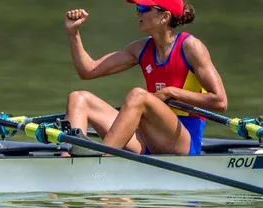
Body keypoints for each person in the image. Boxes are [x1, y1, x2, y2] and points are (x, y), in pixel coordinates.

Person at [63, 0, 227, 156]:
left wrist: (172, 92)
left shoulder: (191, 47)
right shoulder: (141, 48)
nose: (137, 12)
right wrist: (73, 33)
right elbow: (88, 70)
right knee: (78, 98)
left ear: (165, 16)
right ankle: (67, 161)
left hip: (183, 140)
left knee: (138, 96)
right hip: (147, 137)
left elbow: (220, 101)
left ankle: (103, 160)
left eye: (143, 8)